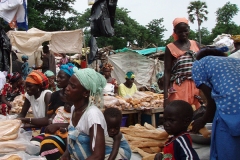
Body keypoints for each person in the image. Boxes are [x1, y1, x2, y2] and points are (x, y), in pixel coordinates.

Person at [192, 48, 240, 160]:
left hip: (229, 112)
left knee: (228, 151)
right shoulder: (234, 61)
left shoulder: (200, 63)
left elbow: (211, 101)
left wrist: (202, 120)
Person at [61, 68, 107, 160]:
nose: (67, 88)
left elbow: (98, 156)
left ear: (85, 93)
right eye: (69, 84)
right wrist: (66, 154)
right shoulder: (74, 108)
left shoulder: (92, 115)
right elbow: (73, 135)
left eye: (73, 86)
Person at [164, 17, 200, 108]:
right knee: (180, 113)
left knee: (197, 114)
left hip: (196, 85)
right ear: (175, 31)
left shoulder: (196, 45)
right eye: (180, 32)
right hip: (179, 87)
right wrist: (165, 97)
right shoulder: (170, 47)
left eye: (185, 31)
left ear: (189, 29)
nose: (183, 34)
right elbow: (167, 71)